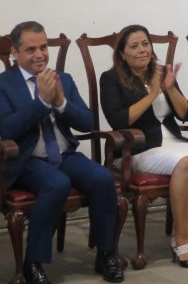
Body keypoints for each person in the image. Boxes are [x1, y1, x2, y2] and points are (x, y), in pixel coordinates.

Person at [0, 21, 123, 284]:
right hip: (27, 160)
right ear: (14, 52)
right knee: (57, 183)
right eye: (31, 49)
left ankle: (106, 254)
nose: (40, 54)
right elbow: (7, 128)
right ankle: (33, 262)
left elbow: (87, 122)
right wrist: (42, 102)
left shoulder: (63, 79)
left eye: (43, 47)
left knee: (102, 178)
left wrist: (60, 102)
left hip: (64, 155)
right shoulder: (4, 84)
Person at [100, 25, 188, 269]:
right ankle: (180, 239)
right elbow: (119, 120)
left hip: (172, 142)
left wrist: (169, 88)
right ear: (122, 54)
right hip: (137, 148)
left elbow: (186, 114)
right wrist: (153, 93)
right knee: (185, 162)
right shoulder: (111, 79)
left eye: (145, 44)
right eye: (134, 46)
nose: (142, 50)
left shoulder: (161, 72)